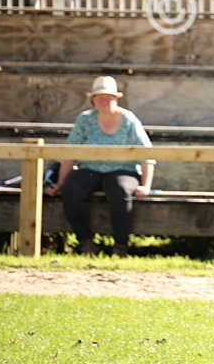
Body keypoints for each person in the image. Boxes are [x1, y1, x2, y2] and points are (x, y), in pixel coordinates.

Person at [44, 76, 154, 256]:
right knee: (72, 189)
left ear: (116, 99)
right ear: (92, 100)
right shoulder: (84, 120)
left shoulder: (128, 120)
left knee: (118, 188)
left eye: (109, 96)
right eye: (99, 96)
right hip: (90, 169)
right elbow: (70, 154)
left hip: (122, 169)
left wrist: (145, 185)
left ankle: (120, 246)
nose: (104, 100)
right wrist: (61, 183)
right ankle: (86, 243)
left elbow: (147, 154)